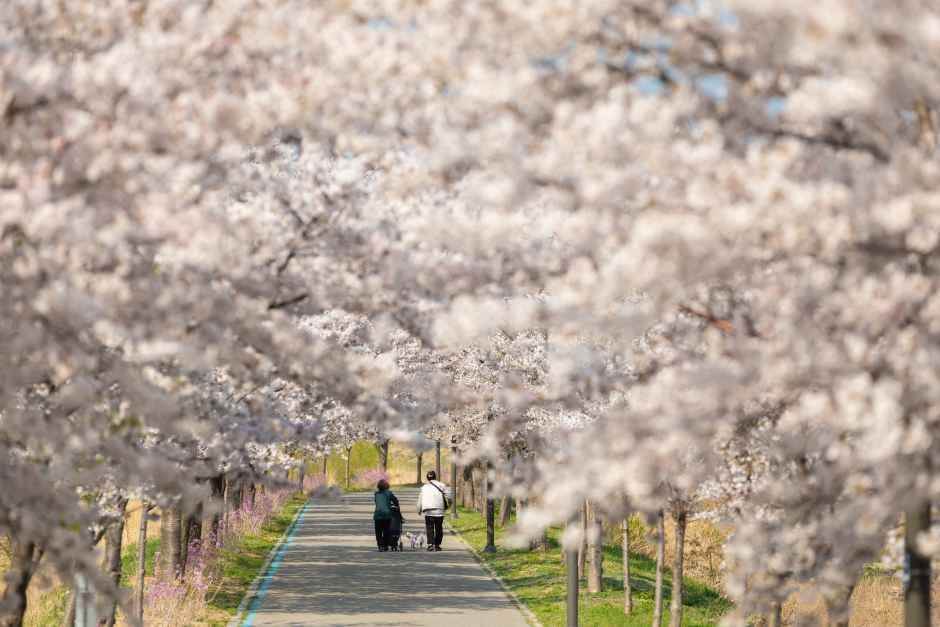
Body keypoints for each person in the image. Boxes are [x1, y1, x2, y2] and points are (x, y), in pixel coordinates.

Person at [417, 470, 451, 551]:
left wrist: (419, 509)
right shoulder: (441, 485)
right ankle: (437, 545)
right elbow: (449, 496)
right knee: (439, 528)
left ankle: (430, 544)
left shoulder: (424, 487)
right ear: (435, 477)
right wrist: (449, 504)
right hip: (439, 510)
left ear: (427, 478)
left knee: (429, 528)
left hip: (428, 511)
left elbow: (420, 500)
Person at [373, 479, 401, 552]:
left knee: (378, 532)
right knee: (386, 531)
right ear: (387, 486)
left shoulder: (376, 494)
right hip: (387, 515)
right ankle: (385, 545)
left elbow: (377, 503)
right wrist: (396, 506)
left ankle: (380, 546)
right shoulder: (389, 493)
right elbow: (395, 500)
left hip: (377, 515)